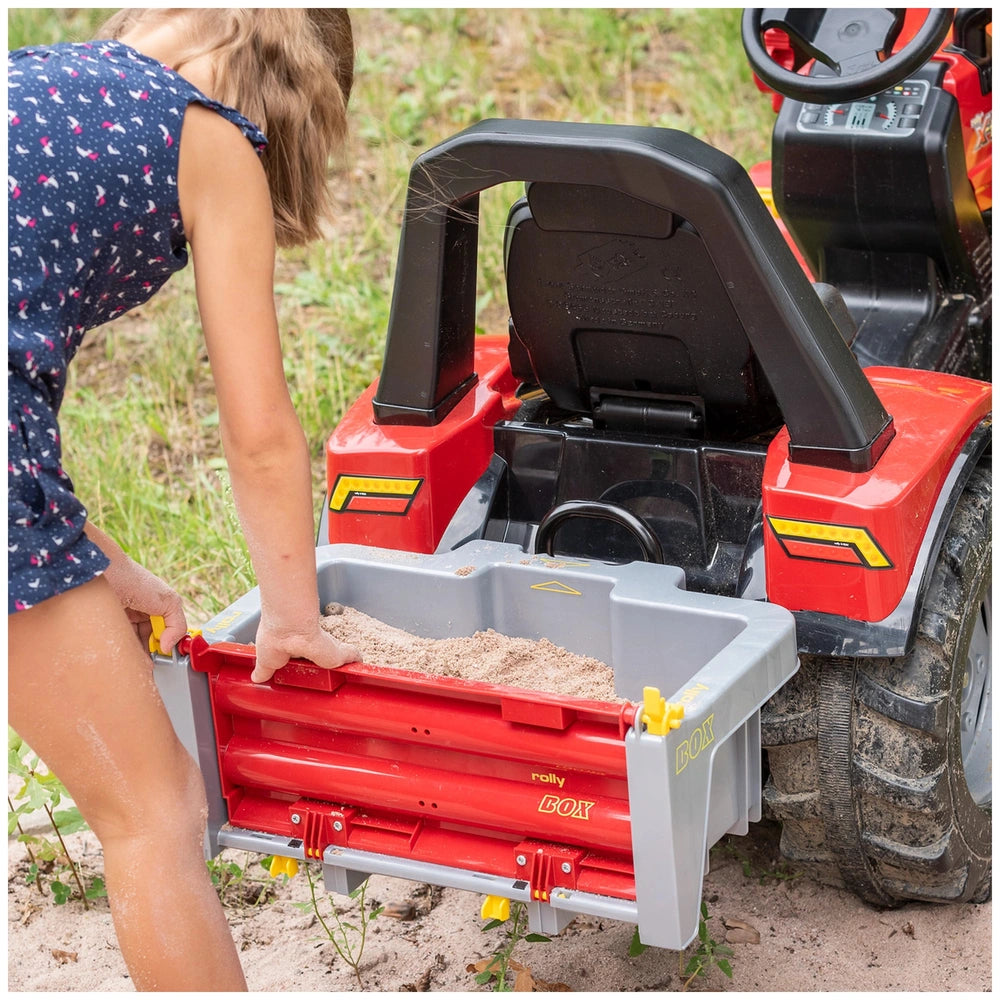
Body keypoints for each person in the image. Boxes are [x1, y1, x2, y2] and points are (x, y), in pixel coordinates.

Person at [8, 9, 360, 990]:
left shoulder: (35, 78)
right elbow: (257, 433)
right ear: (297, 97)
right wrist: (292, 615)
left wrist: (107, 568)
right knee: (154, 813)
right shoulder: (211, 139)